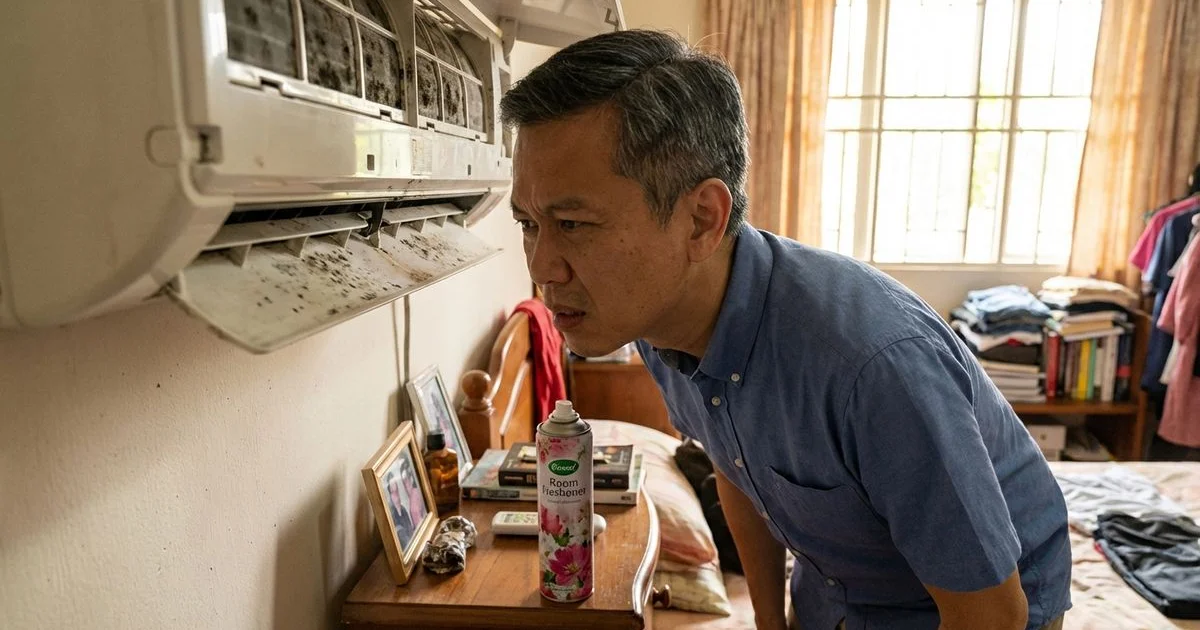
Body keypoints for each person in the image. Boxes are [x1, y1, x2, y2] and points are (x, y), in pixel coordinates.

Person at [500, 29, 1071, 630]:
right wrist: (769, 620)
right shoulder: (657, 322)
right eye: (528, 223)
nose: (541, 267)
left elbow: (993, 614)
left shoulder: (871, 367)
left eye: (572, 222)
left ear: (701, 220)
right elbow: (735, 465)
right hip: (837, 586)